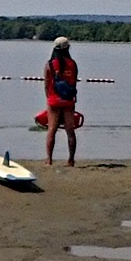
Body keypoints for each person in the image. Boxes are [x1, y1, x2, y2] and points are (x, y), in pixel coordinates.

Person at [43, 36, 78, 166]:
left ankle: (49, 160)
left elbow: (46, 86)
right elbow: (74, 83)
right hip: (68, 100)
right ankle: (71, 160)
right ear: (67, 48)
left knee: (51, 130)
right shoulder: (73, 64)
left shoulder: (49, 65)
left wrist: (49, 99)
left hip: (54, 100)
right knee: (70, 130)